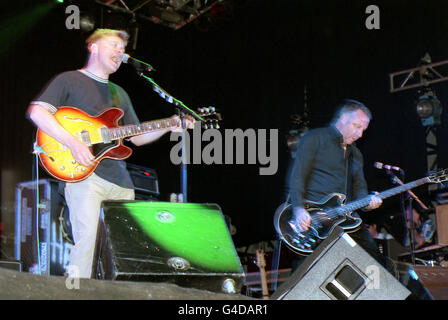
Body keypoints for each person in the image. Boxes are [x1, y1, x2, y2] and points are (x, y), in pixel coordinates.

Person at [26, 28, 193, 278]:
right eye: (114, 45)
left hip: (120, 180)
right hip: (84, 177)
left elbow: (136, 137)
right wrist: (73, 143)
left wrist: (169, 124)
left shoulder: (119, 93)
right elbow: (37, 112)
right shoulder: (69, 80)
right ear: (93, 46)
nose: (120, 52)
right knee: (87, 243)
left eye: (123, 49)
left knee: (122, 250)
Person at [287, 99, 386, 267]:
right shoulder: (315, 138)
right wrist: (298, 209)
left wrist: (368, 203)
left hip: (345, 218)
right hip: (314, 218)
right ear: (342, 119)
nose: (360, 134)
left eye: (363, 129)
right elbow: (298, 177)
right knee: (309, 272)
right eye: (357, 126)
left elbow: (359, 192)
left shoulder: (356, 154)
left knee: (375, 264)